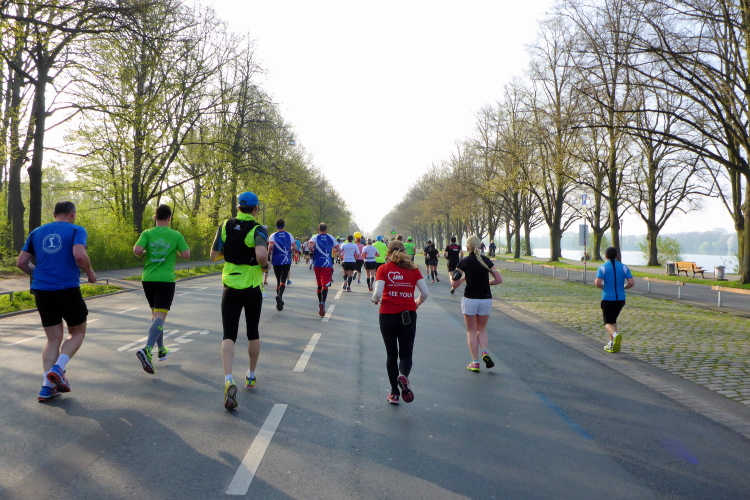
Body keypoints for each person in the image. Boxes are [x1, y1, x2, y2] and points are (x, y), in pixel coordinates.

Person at [16, 201, 97, 402]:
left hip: (42, 291)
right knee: (77, 332)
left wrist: (38, 274)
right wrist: (89, 272)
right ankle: (58, 368)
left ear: (54, 214)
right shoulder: (76, 230)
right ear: (72, 214)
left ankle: (47, 387)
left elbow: (21, 263)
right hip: (67, 288)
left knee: (53, 339)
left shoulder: (36, 232)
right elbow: (79, 255)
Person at [210, 191, 269, 410]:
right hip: (252, 288)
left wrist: (230, 252)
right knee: (252, 332)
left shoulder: (225, 226)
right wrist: (265, 266)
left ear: (238, 208)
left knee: (229, 335)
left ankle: (228, 379)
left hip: (231, 287)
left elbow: (213, 255)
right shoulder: (258, 229)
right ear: (256, 209)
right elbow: (261, 254)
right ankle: (251, 375)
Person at [133, 204, 191, 374]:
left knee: (156, 316)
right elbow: (187, 255)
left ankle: (162, 349)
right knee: (160, 316)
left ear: (154, 217)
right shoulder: (175, 235)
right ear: (169, 218)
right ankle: (147, 350)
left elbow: (137, 250)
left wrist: (145, 253)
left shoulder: (147, 233)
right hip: (165, 280)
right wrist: (176, 250)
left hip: (148, 279)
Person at [371, 240, 429, 405]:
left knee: (391, 354)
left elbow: (377, 294)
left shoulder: (383, 269)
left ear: (388, 253)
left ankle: (394, 393)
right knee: (406, 353)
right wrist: (416, 303)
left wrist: (375, 299)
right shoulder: (413, 269)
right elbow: (425, 292)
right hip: (408, 315)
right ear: (404, 252)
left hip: (387, 315)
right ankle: (403, 376)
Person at [450, 235, 503, 373]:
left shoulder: (463, 262)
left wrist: (463, 278)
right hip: (486, 298)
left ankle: (475, 362)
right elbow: (499, 280)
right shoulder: (487, 261)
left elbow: (454, 284)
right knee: (482, 329)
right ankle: (485, 351)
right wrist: (486, 282)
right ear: (479, 246)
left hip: (470, 299)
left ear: (467, 247)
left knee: (471, 330)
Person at [595, 247, 635, 353]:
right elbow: (631, 283)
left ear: (606, 256)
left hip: (608, 298)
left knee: (607, 322)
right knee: (613, 320)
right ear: (617, 255)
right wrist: (624, 287)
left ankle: (615, 335)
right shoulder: (624, 267)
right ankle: (612, 344)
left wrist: (602, 286)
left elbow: (597, 283)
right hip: (620, 298)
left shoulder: (603, 267)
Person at [309, 222, 341, 316]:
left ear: (318, 229)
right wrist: (336, 252)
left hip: (317, 263)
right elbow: (338, 249)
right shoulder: (331, 238)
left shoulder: (315, 237)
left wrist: (313, 251)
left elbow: (310, 247)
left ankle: (320, 302)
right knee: (325, 284)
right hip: (327, 263)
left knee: (319, 285)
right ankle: (323, 302)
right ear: (326, 229)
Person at [268, 218, 294, 311]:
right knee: (283, 280)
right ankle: (279, 296)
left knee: (278, 280)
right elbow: (294, 247)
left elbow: (271, 246)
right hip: (286, 260)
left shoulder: (273, 235)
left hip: (276, 260)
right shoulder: (289, 235)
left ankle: (279, 301)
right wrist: (292, 249)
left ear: (276, 226)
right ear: (284, 225)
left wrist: (269, 253)